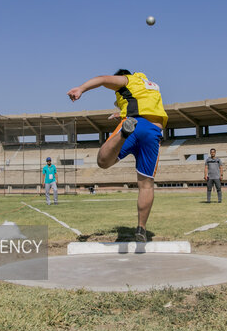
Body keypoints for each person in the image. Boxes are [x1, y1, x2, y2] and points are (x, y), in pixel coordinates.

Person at [67, 70, 167, 242]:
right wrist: (120, 113)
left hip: (136, 124)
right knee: (146, 184)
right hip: (154, 131)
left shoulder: (128, 79)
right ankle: (141, 228)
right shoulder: (151, 86)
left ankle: (123, 134)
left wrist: (81, 89)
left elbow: (102, 79)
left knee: (103, 161)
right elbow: (141, 103)